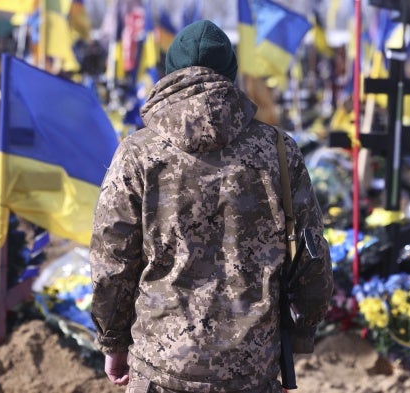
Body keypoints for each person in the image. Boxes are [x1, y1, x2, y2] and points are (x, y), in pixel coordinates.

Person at [89, 19, 333, 392]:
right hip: (252, 368)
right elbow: (311, 254)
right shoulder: (278, 151)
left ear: (170, 74)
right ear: (231, 75)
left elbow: (112, 261)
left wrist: (112, 342)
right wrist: (301, 332)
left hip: (160, 365)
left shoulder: (137, 153)